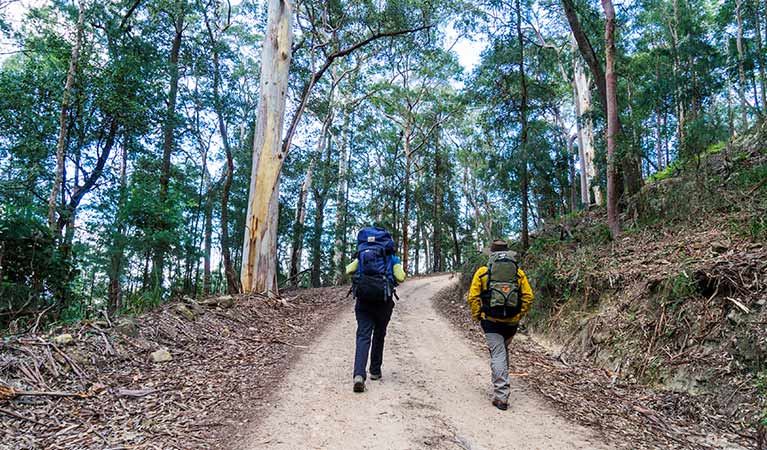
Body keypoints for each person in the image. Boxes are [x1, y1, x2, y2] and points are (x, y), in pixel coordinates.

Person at [467, 239, 534, 410]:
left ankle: (501, 396)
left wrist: (478, 315)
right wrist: (519, 314)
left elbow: (473, 296)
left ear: (490, 254)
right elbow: (528, 296)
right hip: (512, 322)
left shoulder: (483, 272)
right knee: (502, 353)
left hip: (490, 321)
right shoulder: (518, 273)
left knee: (497, 355)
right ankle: (501, 385)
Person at [346, 226, 406, 393]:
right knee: (379, 334)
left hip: (363, 300)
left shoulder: (362, 254)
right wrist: (395, 267)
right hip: (383, 300)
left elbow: (348, 270)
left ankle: (358, 375)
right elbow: (401, 277)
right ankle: (375, 371)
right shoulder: (392, 258)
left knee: (363, 335)